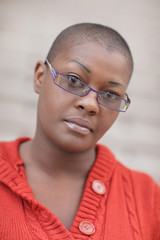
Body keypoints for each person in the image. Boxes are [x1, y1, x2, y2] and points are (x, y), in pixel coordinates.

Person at [0, 23, 159, 240]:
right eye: (74, 80)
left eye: (111, 95)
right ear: (40, 77)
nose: (90, 104)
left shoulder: (148, 199)